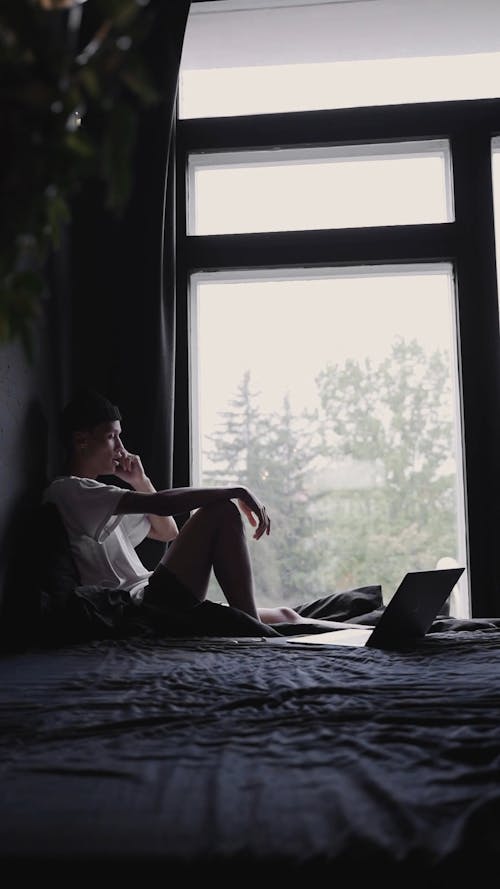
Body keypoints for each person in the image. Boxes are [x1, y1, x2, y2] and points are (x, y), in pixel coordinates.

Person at [43, 389, 367, 638]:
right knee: (221, 511)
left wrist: (140, 480)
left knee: (285, 615)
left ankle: (372, 636)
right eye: (112, 437)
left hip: (151, 595)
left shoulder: (103, 499)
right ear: (81, 441)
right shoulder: (70, 491)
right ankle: (252, 631)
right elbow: (161, 506)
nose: (121, 448)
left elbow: (166, 531)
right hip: (139, 609)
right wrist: (236, 490)